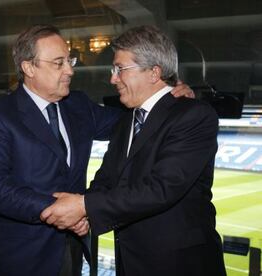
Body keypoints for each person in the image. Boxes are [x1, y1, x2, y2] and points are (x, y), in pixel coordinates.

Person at [0, 24, 193, 276]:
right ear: (29, 67)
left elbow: (134, 121)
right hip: (20, 255)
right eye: (59, 63)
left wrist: (168, 97)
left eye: (70, 61)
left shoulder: (78, 105)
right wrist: (62, 211)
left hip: (71, 249)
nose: (69, 70)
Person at [41, 25, 226, 276]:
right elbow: (107, 178)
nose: (113, 79)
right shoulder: (127, 120)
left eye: (120, 69)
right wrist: (82, 214)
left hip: (180, 265)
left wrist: (84, 205)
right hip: (131, 262)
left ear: (153, 72)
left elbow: (162, 188)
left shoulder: (193, 115)